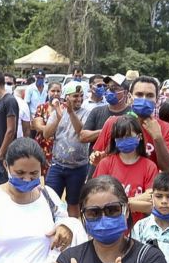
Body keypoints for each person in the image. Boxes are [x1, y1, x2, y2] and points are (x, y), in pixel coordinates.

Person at [92, 75, 169, 173]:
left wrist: (158, 138)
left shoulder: (165, 128)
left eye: (150, 95)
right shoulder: (113, 123)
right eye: (139, 94)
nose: (144, 99)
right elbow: (98, 160)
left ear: (157, 99)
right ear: (130, 97)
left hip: (148, 186)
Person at [93, 116, 158, 224]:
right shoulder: (105, 164)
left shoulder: (150, 167)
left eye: (128, 136)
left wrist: (114, 205)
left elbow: (151, 204)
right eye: (119, 137)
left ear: (139, 137)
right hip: (109, 225)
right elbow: (97, 199)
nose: (124, 140)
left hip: (137, 228)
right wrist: (135, 202)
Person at [43, 82, 90, 217]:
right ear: (66, 97)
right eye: (75, 96)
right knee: (49, 200)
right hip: (57, 165)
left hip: (78, 167)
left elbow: (80, 131)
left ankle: (73, 231)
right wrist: (58, 116)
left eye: (81, 96)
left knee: (73, 203)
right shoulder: (58, 111)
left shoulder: (87, 113)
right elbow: (46, 134)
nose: (79, 99)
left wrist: (70, 113)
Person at [81, 74, 129, 149]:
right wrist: (107, 130)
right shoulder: (97, 111)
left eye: (114, 88)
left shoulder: (132, 114)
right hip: (97, 159)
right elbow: (83, 137)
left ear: (125, 93)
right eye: (108, 87)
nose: (109, 91)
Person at [32, 82, 62, 164]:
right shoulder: (41, 108)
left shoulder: (65, 108)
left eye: (58, 91)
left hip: (60, 146)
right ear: (48, 92)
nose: (55, 94)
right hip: (43, 146)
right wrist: (53, 129)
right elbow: (38, 126)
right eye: (53, 91)